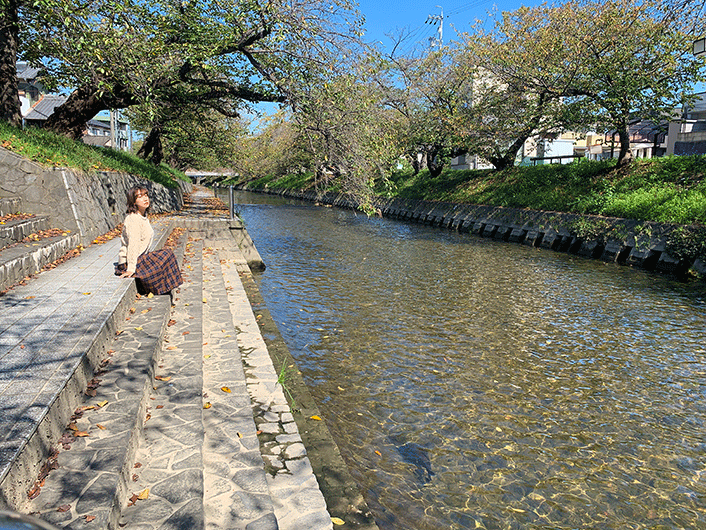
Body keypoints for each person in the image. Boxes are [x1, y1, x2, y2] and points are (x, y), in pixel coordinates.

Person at [115, 186, 183, 300]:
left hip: (140, 257)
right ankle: (157, 288)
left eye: (146, 195)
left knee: (166, 254)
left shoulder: (142, 217)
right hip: (130, 262)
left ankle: (161, 287)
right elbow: (133, 244)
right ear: (134, 201)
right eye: (140, 197)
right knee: (166, 254)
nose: (145, 199)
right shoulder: (133, 219)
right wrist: (131, 268)